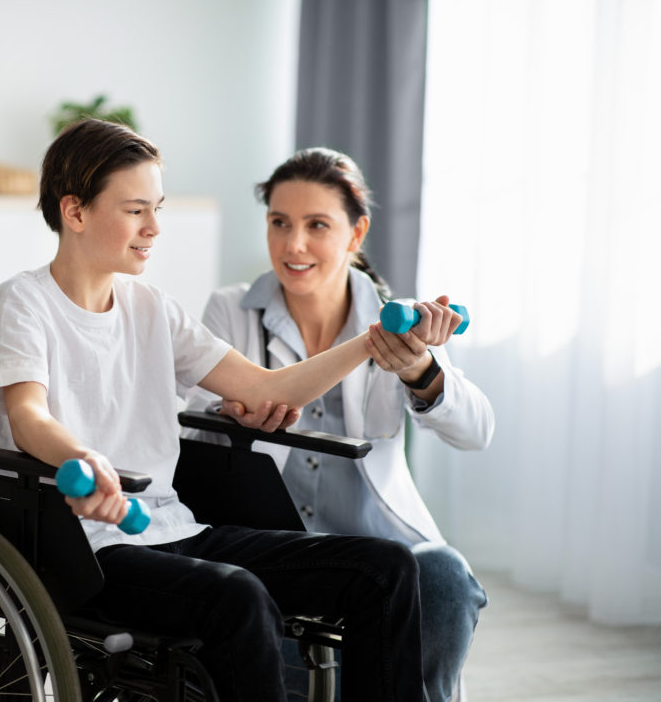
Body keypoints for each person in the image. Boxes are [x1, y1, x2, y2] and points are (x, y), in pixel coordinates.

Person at [0, 120, 461, 701]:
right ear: (74, 211)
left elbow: (265, 389)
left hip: (173, 528)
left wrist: (373, 341)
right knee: (239, 595)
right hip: (84, 548)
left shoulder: (152, 307)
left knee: (386, 570)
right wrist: (84, 458)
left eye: (156, 209)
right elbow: (29, 417)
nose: (154, 228)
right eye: (135, 211)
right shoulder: (21, 303)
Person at [184, 147, 494, 702]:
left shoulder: (398, 322)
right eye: (279, 223)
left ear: (357, 233)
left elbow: (476, 431)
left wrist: (422, 372)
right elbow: (189, 432)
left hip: (380, 547)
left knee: (444, 575)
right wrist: (230, 416)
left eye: (317, 225)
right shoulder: (230, 310)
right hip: (276, 552)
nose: (293, 245)